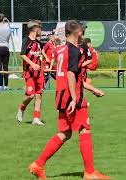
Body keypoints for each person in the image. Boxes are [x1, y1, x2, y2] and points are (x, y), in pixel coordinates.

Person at [28, 20, 110, 180]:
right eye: (83, 30)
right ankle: (90, 172)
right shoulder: (74, 51)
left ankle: (38, 165)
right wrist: (74, 98)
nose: (84, 33)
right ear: (78, 32)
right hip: (73, 97)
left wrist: (93, 89)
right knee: (85, 129)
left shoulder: (62, 50)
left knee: (65, 133)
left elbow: (70, 75)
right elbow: (72, 75)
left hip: (62, 95)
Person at [16, 20, 44, 126]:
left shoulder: (39, 43)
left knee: (38, 95)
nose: (41, 30)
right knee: (30, 95)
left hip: (39, 73)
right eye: (40, 28)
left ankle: (36, 118)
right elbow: (22, 54)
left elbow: (39, 56)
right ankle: (21, 108)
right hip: (29, 73)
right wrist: (32, 64)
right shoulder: (26, 40)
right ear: (36, 29)